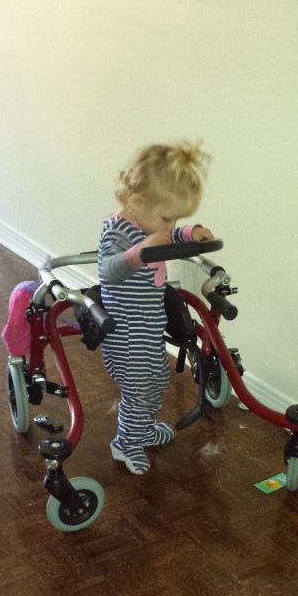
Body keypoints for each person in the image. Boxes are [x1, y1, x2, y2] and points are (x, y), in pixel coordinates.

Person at [97, 140, 214, 474]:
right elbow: (108, 270)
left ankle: (143, 429)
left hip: (147, 327)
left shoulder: (149, 224)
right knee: (140, 388)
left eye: (176, 219)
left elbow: (166, 237)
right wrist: (139, 252)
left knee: (158, 380)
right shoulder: (117, 232)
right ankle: (126, 443)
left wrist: (191, 233)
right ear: (137, 202)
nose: (170, 225)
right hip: (126, 332)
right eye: (167, 218)